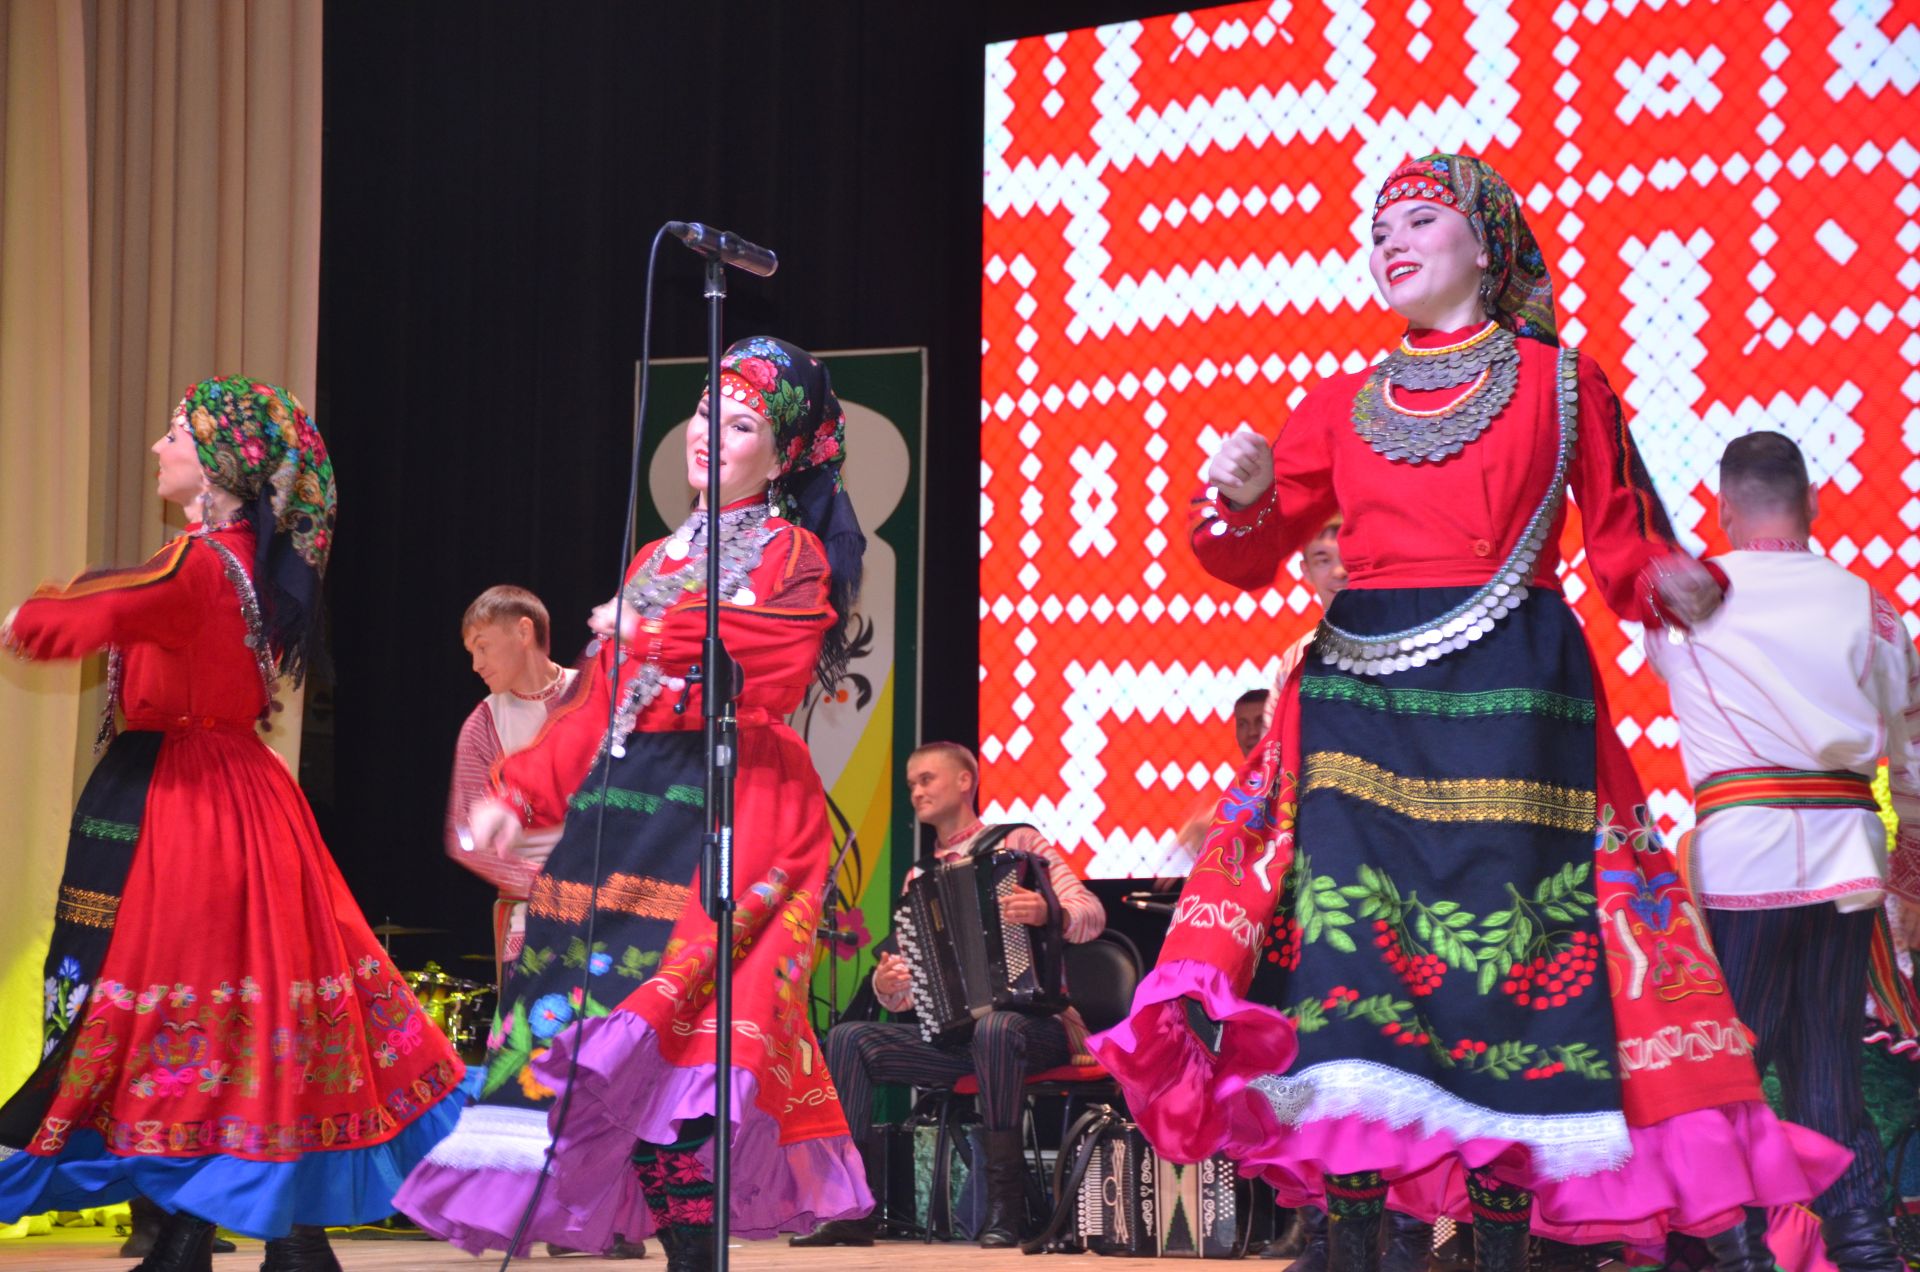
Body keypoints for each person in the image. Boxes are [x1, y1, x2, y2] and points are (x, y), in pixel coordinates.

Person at [1089, 153, 1850, 1272]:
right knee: (1354, 970)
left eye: (1419, 220)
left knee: (1511, 973)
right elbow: (1245, 556)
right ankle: (1347, 1241)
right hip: (1360, 703)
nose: (1389, 241)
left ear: (1486, 248)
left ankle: (1505, 1244)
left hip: (1517, 705)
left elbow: (1622, 532)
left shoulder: (1560, 380)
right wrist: (1243, 496)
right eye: (1378, 227)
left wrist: (1669, 581)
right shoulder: (1340, 403)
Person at [393, 337, 872, 1271]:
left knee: (680, 1048)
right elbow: (596, 707)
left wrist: (654, 625)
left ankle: (699, 1255)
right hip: (628, 810)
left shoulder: (792, 553)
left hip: (735, 809)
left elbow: (772, 659)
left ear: (782, 456)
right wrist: (517, 791)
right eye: (702, 411)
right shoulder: (658, 553)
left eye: (738, 425)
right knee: (608, 1055)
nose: (706, 434)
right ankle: (691, 1252)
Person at [0, 377, 464, 1272]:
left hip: (192, 810)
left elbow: (108, 606)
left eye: (175, 433)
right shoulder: (233, 555)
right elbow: (123, 595)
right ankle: (251, 1231)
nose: (157, 448)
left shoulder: (204, 562)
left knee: (190, 1007)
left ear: (218, 463)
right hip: (233, 798)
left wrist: (31, 616)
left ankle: (222, 1231)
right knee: (247, 1009)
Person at [1644, 431, 1920, 1271]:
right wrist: (1906, 886)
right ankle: (1865, 1248)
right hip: (1848, 863)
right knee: (1828, 1064)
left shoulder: (1687, 602)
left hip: (1746, 861)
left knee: (1731, 1073)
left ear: (1724, 508)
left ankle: (1729, 1251)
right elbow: (1908, 769)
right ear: (1814, 504)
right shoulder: (1873, 607)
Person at [792, 740, 1108, 1249]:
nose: (916, 791)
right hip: (960, 1041)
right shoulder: (920, 876)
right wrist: (887, 985)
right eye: (911, 783)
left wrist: (1049, 910)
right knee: (851, 1038)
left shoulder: (1021, 843)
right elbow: (908, 993)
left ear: (966, 780)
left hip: (1039, 1030)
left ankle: (1006, 1209)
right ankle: (853, 1207)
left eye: (926, 779)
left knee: (998, 1026)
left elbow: (1090, 912)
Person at [445, 585, 581, 984]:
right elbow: (465, 837)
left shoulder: (596, 695)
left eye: (483, 647)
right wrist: (543, 882)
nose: (476, 665)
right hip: (531, 915)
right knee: (533, 1037)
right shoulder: (482, 725)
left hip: (613, 906)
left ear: (524, 632)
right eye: (471, 652)